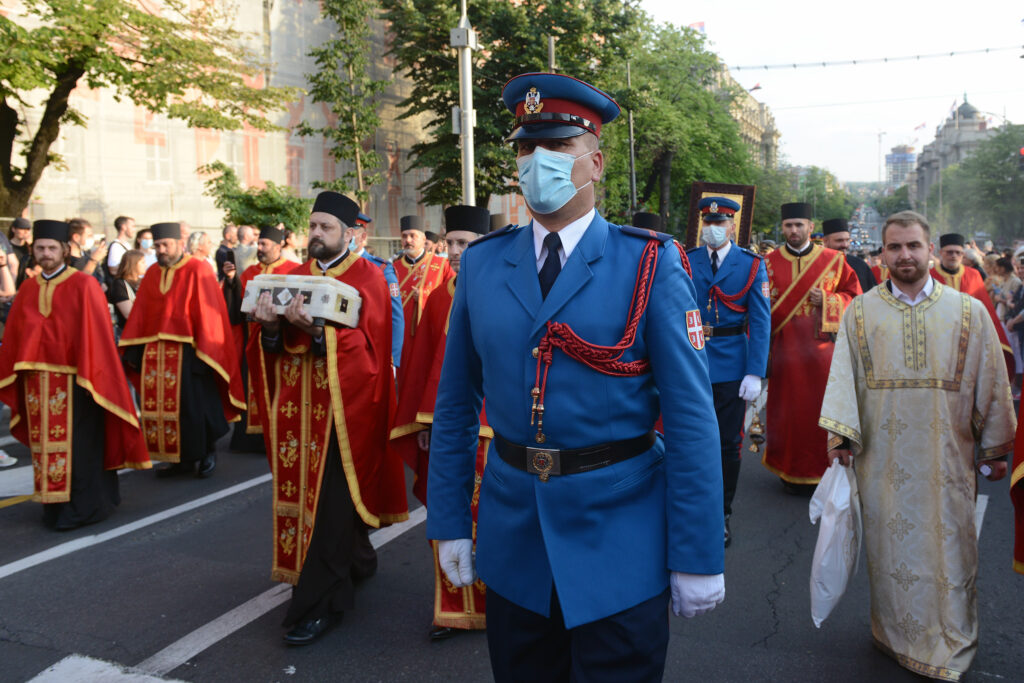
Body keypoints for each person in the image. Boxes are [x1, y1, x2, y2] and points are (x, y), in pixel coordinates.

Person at [427, 72, 724, 682]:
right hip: (514, 536)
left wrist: (697, 552)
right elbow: (455, 404)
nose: (538, 162)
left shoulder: (648, 262)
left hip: (619, 535)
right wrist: (450, 520)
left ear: (595, 163)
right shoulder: (483, 264)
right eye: (526, 149)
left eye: (558, 147)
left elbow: (692, 418)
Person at [820, 210, 1015, 681]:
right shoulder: (860, 311)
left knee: (952, 553)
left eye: (913, 245)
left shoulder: (968, 311)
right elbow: (843, 375)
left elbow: (992, 379)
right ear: (883, 254)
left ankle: (953, 639)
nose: (904, 255)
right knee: (890, 553)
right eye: (894, 247)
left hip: (948, 461)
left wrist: (994, 448)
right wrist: (841, 435)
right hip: (881, 463)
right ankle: (893, 635)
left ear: (930, 250)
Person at [249, 191, 407, 646]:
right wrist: (272, 329)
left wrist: (320, 334)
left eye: (326, 227)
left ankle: (321, 604)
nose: (316, 234)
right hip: (296, 411)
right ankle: (357, 560)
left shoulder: (369, 278)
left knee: (330, 509)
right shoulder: (290, 277)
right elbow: (268, 350)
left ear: (349, 233)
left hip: (343, 415)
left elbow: (373, 354)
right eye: (313, 226)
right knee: (309, 506)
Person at [0, 220, 149, 529]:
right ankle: (53, 506)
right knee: (44, 450)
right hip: (36, 387)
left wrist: (91, 378)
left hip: (77, 385)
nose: (46, 253)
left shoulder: (84, 284)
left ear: (65, 250)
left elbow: (97, 338)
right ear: (33, 250)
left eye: (51, 248)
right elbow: (16, 337)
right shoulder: (28, 288)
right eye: (40, 248)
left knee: (80, 449)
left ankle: (84, 507)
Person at [390, 204, 491, 641]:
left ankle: (501, 605)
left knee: (492, 519)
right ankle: (454, 609)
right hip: (449, 429)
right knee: (450, 514)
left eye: (464, 244)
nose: (453, 251)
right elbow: (422, 366)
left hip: (496, 429)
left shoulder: (506, 292)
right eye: (450, 242)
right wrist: (424, 423)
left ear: (483, 245)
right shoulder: (438, 298)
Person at [119, 222, 244, 478]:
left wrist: (206, 349)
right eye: (157, 246)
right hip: (156, 355)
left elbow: (210, 313)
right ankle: (179, 459)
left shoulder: (198, 269)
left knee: (195, 409)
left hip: (191, 353)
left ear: (179, 244)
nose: (161, 250)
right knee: (163, 410)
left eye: (165, 245)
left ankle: (207, 452)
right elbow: (142, 313)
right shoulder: (152, 273)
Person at [686, 196, 770, 548]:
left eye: (720, 223)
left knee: (726, 444)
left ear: (732, 226)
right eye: (708, 223)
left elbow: (761, 321)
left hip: (732, 365)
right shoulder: (686, 260)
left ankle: (721, 514)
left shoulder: (751, 264)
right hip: (691, 361)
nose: (713, 229)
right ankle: (689, 511)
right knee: (688, 441)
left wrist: (755, 372)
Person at [762, 202, 861, 491]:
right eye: (788, 225)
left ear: (810, 227)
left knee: (822, 414)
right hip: (784, 355)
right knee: (788, 416)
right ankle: (788, 470)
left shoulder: (834, 260)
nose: (794, 230)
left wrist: (829, 301)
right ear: (783, 228)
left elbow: (855, 298)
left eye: (799, 225)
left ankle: (826, 471)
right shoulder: (767, 263)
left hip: (822, 356)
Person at [222, 224, 300, 451]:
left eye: (264, 244)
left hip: (283, 342)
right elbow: (238, 308)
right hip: (253, 341)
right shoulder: (249, 272)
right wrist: (231, 281)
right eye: (259, 243)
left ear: (278, 245)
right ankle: (252, 440)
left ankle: (280, 434)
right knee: (253, 385)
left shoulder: (294, 270)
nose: (260, 248)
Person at [931, 233, 1014, 376]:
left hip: (968, 342)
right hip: (938, 340)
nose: (954, 256)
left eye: (958, 252)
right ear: (941, 253)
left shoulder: (973, 275)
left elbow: (985, 308)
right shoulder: (929, 276)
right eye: (949, 252)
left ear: (963, 254)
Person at [393, 215, 453, 388]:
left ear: (423, 238)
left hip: (430, 336)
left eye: (413, 236)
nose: (408, 240)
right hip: (402, 341)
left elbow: (453, 298)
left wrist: (425, 297)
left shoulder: (442, 265)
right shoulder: (393, 269)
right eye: (404, 236)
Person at [351, 213, 404, 370]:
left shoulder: (381, 268)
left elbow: (395, 316)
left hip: (371, 353)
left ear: (363, 237)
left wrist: (392, 359)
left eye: (351, 233)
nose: (346, 238)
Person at [822, 218, 877, 292]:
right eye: (839, 240)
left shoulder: (861, 265)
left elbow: (872, 294)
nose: (845, 245)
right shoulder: (817, 265)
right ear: (825, 241)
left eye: (847, 240)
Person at [108, 250, 146, 341]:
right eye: (142, 262)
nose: (145, 265)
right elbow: (128, 314)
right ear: (133, 264)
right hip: (128, 334)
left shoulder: (143, 281)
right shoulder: (120, 284)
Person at [67, 218, 109, 286]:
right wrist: (94, 260)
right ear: (76, 237)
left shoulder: (87, 254)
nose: (92, 239)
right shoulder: (66, 259)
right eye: (89, 236)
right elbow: (79, 282)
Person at [10, 217, 31, 286]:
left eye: (28, 229)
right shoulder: (6, 247)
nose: (26, 232)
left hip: (25, 286)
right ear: (13, 229)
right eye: (22, 229)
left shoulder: (30, 249)